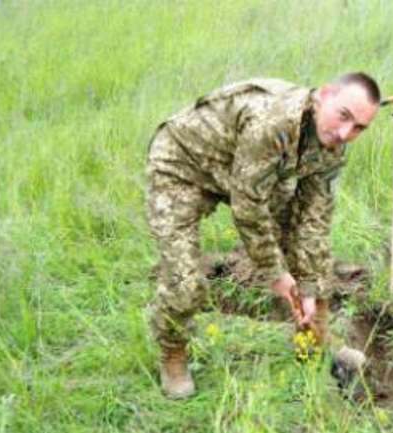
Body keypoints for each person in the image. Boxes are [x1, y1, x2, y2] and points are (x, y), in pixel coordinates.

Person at [144, 72, 380, 399]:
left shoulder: (333, 143)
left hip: (248, 171)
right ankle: (172, 354)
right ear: (324, 95)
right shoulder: (273, 122)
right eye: (344, 116)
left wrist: (309, 286)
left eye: (359, 128)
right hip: (183, 168)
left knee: (312, 255)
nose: (345, 132)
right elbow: (248, 206)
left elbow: (314, 220)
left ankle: (314, 340)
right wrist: (276, 273)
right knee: (184, 282)